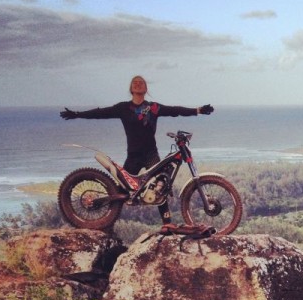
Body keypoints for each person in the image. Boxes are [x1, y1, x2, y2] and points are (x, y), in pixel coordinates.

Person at [60, 75, 214, 228]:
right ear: (131, 89)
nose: (138, 84)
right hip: (133, 156)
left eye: (142, 83)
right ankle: (104, 224)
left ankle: (167, 224)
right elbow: (101, 113)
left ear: (146, 89)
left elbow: (175, 110)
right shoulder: (123, 108)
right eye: (135, 82)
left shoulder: (154, 108)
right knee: (120, 192)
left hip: (150, 154)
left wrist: (198, 110)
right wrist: (77, 114)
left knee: (162, 183)